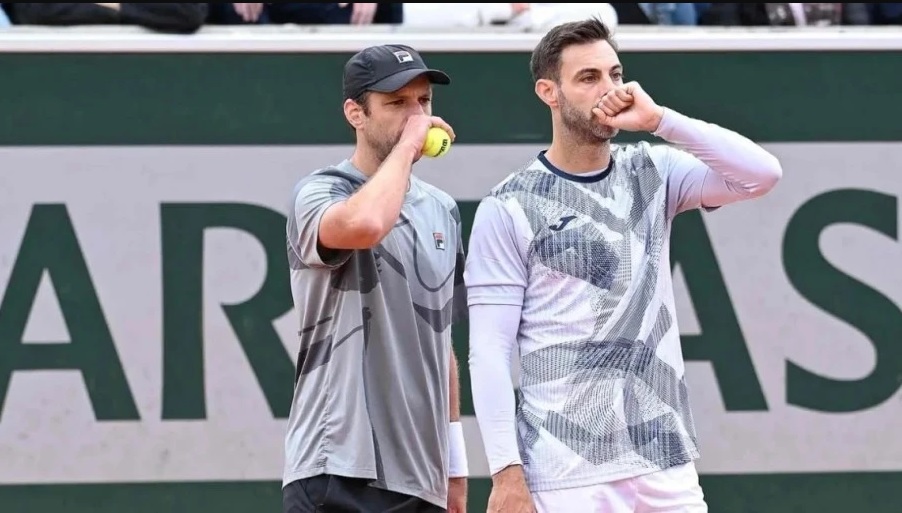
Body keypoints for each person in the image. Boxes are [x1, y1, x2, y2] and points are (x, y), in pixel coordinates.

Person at [465, 17, 782, 513]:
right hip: (564, 471)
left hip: (663, 459)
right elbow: (489, 349)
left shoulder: (654, 169)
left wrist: (661, 121)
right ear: (549, 92)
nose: (609, 89)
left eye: (615, 74)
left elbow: (762, 174)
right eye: (588, 78)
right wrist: (506, 472)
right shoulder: (507, 206)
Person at [282, 44, 469, 513]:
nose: (417, 117)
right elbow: (364, 226)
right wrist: (407, 148)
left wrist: (455, 467)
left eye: (423, 101)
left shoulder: (442, 209)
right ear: (355, 114)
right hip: (338, 469)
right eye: (397, 103)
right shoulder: (321, 191)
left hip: (422, 478)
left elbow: (440, 338)